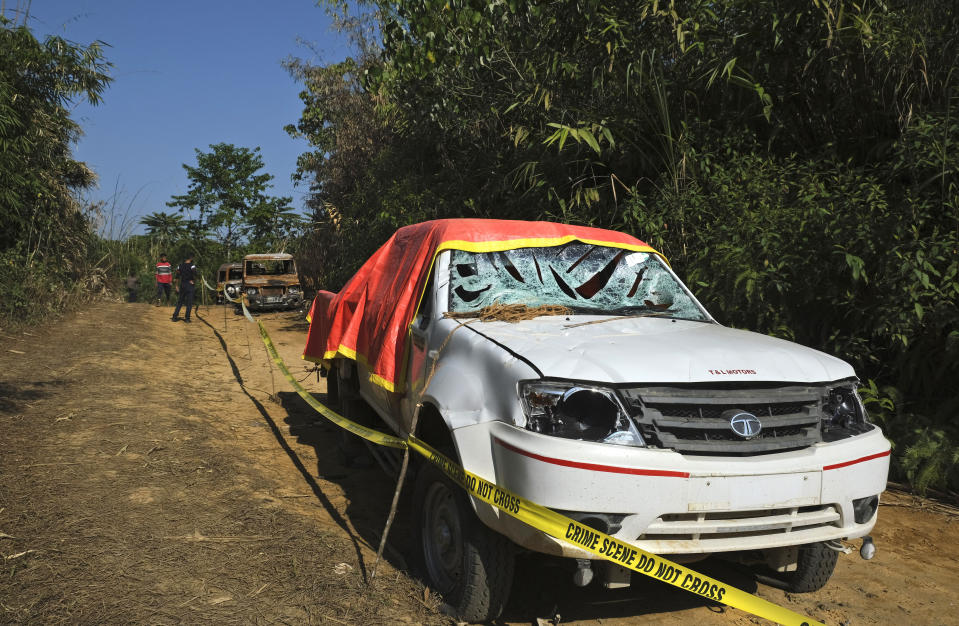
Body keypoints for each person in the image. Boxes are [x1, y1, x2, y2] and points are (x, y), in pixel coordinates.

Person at [171, 255, 197, 323]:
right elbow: (195, 274)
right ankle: (187, 319)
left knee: (180, 302)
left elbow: (177, 276)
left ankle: (174, 317)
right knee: (189, 303)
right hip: (190, 285)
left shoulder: (180, 266)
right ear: (191, 258)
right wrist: (193, 281)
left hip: (182, 285)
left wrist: (176, 286)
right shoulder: (192, 266)